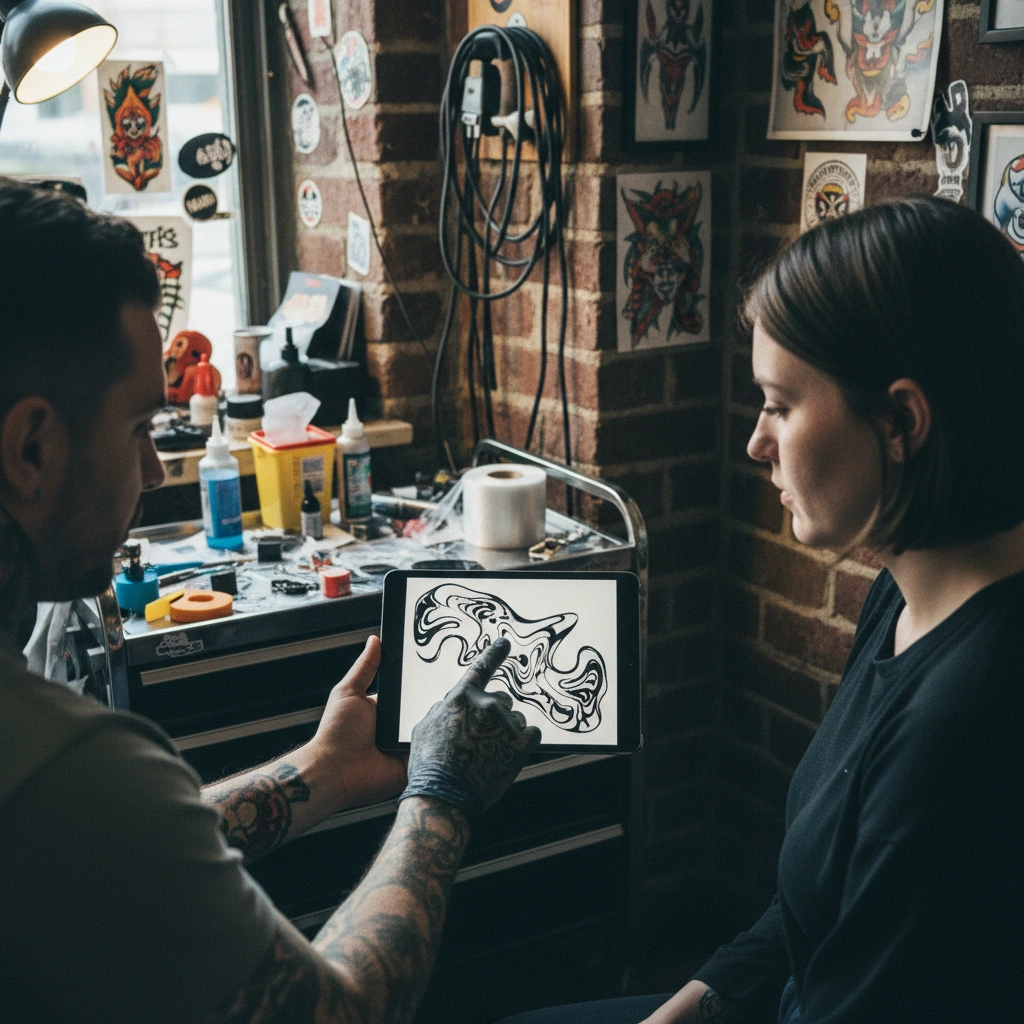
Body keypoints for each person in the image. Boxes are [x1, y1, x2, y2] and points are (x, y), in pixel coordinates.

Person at [0, 177, 541, 1023]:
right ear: (30, 447)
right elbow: (345, 1012)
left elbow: (127, 858)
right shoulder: (67, 767)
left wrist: (322, 772)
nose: (149, 472)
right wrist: (442, 792)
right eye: (141, 428)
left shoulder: (66, 796)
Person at [499, 197, 1024, 1024]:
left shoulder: (967, 725)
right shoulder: (903, 595)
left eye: (780, 404)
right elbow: (816, 908)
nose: (755, 441)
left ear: (901, 421)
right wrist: (685, 1011)